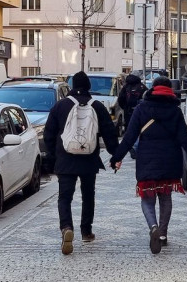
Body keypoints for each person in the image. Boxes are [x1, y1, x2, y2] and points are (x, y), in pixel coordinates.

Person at [110, 76, 187, 254]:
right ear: (170, 90)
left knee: (147, 199)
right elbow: (186, 140)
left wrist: (116, 157)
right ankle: (162, 234)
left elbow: (129, 137)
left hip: (147, 160)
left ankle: (152, 226)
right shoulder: (175, 112)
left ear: (152, 89)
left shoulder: (141, 109)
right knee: (165, 197)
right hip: (170, 161)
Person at [44, 71, 118, 255]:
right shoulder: (98, 106)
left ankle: (66, 228)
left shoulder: (60, 106)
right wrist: (116, 156)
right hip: (89, 159)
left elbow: (48, 135)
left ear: (71, 86)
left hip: (65, 160)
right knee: (88, 196)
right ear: (89, 86)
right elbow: (110, 133)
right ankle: (86, 231)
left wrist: (55, 156)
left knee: (65, 197)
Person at [117, 74, 147, 159]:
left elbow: (120, 99)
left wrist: (125, 108)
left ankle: (131, 146)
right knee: (141, 130)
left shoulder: (126, 87)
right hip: (141, 113)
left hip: (129, 113)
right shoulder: (142, 87)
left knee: (130, 130)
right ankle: (138, 147)